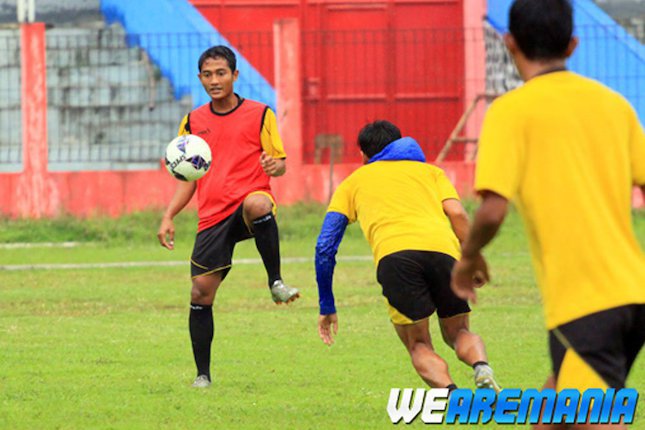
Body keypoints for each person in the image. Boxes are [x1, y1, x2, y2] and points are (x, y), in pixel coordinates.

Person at [451, 0, 645, 427]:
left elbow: (493, 209)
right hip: (633, 293)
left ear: (509, 42)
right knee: (555, 404)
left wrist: (467, 258)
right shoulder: (615, 106)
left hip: (586, 304)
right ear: (573, 44)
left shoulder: (511, 111)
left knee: (592, 417)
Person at [315, 120, 501, 392]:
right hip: (445, 254)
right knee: (459, 332)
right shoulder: (431, 173)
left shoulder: (352, 183)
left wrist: (326, 304)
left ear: (364, 154)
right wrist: (472, 258)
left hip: (396, 259)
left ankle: (452, 396)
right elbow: (458, 214)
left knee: (419, 345)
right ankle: (481, 366)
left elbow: (325, 246)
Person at [157, 45, 300, 388]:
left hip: (248, 202)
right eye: (207, 75)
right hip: (212, 216)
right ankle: (202, 375)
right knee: (199, 294)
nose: (214, 80)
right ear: (200, 78)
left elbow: (279, 164)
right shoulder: (192, 122)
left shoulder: (260, 113)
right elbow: (188, 178)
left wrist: (272, 166)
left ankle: (276, 282)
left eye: (221, 73)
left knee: (258, 205)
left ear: (235, 76)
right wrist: (168, 215)